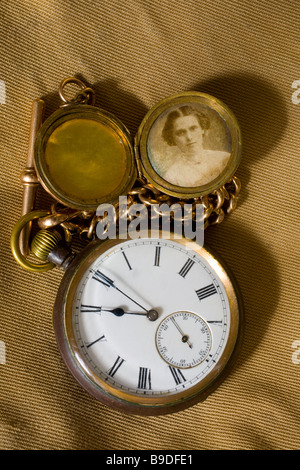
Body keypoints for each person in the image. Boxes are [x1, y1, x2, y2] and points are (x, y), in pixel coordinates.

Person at [161, 106, 230, 187]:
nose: (189, 137)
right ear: (172, 138)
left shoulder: (224, 158)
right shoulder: (171, 177)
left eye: (193, 128)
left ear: (202, 129)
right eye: (181, 133)